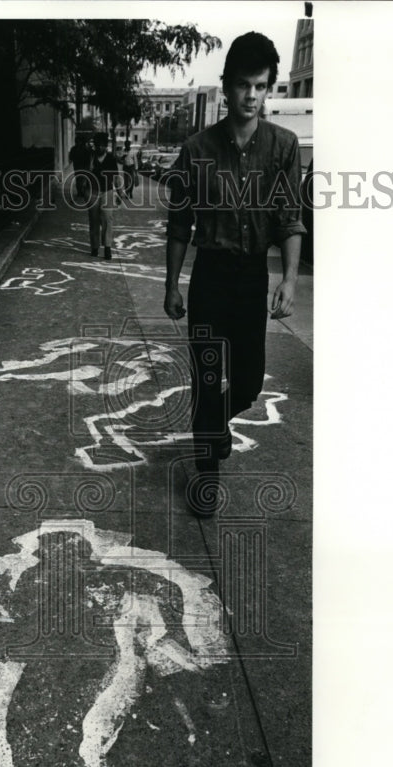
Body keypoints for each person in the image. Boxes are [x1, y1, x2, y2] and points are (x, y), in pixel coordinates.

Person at [163, 31, 305, 516]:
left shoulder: (283, 147)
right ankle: (206, 477)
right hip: (210, 279)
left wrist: (288, 278)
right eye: (243, 85)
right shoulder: (197, 150)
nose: (251, 96)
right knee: (207, 380)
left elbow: (289, 217)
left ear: (269, 89)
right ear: (225, 86)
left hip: (249, 281)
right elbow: (180, 223)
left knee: (246, 384)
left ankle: (215, 426)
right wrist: (171, 285)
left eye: (261, 86)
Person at [86, 133, 120, 260]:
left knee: (107, 218)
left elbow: (116, 177)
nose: (100, 148)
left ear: (106, 146)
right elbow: (86, 174)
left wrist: (120, 192)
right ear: (95, 146)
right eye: (97, 145)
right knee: (94, 220)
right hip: (93, 191)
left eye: (102, 146)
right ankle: (94, 247)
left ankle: (107, 247)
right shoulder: (91, 157)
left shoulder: (111, 159)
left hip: (107, 191)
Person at [68, 134, 92, 203]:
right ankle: (81, 192)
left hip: (81, 167)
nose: (78, 142)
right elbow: (71, 157)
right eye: (77, 141)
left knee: (81, 180)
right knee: (80, 180)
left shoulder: (78, 149)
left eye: (79, 141)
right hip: (80, 167)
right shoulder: (83, 149)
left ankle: (81, 192)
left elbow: (71, 157)